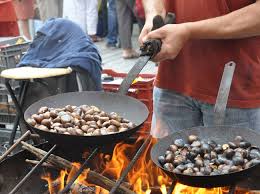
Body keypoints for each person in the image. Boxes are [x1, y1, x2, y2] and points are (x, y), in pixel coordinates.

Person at [139, 0, 260, 138]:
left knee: (232, 158)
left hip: (234, 90)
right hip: (171, 82)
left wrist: (189, 31)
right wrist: (154, 14)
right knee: (162, 156)